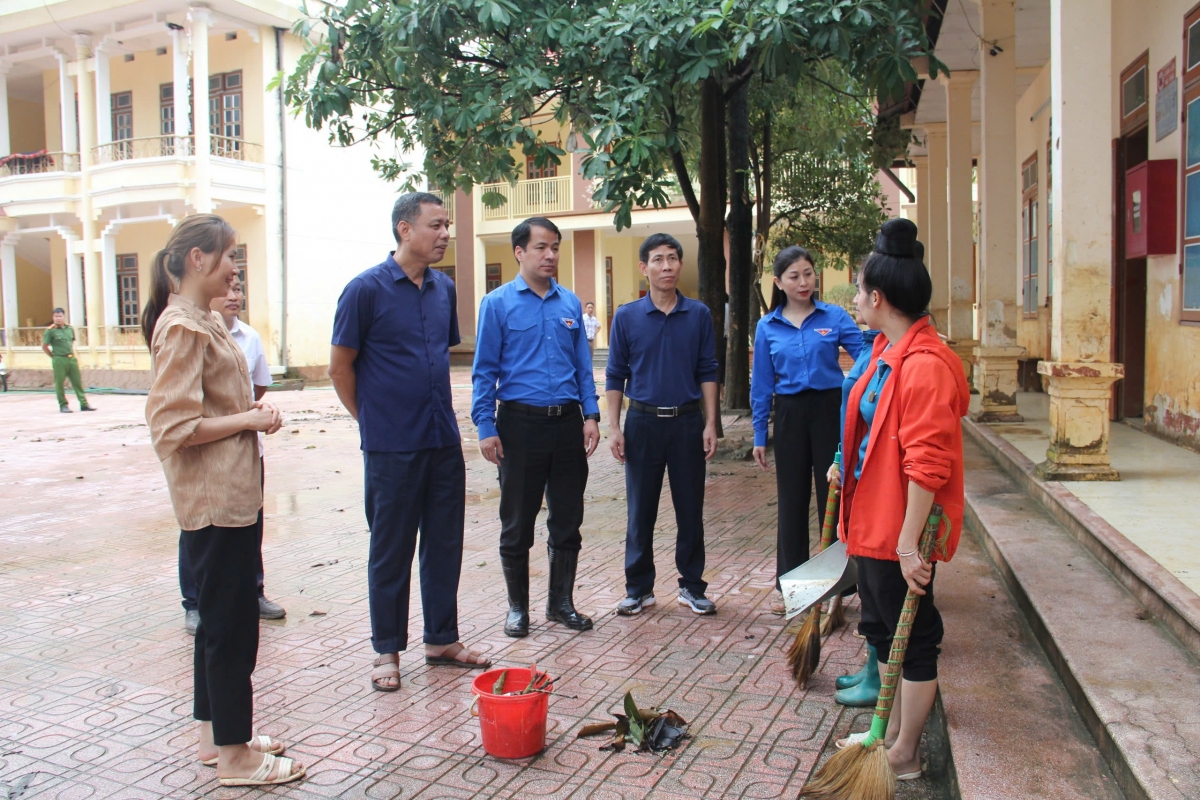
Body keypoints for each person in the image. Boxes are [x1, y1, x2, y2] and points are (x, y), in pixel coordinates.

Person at [143, 214, 303, 787]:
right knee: (232, 628)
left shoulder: (204, 319)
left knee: (219, 624)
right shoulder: (182, 328)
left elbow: (206, 409)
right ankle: (236, 759)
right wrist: (248, 420)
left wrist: (248, 416)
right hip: (213, 501)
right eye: (229, 254)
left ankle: (217, 738)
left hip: (232, 494)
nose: (234, 267)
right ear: (198, 259)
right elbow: (172, 427)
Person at [330, 192, 490, 692]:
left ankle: (441, 639)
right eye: (435, 225)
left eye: (447, 225)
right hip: (391, 446)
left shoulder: (444, 289)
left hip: (442, 438)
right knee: (391, 549)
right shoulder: (364, 290)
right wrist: (371, 421)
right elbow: (339, 368)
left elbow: (439, 356)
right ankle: (387, 649)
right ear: (405, 229)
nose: (445, 234)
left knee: (444, 543)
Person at [830, 218, 968, 780]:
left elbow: (928, 465)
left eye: (859, 290)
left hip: (897, 529)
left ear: (879, 298)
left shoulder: (926, 366)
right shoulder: (887, 350)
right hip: (873, 519)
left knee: (914, 638)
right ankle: (885, 733)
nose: (855, 299)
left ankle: (905, 753)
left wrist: (910, 545)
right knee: (884, 629)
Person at [472, 216, 601, 638]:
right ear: (519, 252)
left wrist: (591, 415)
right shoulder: (497, 304)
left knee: (567, 519)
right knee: (517, 522)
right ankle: (517, 608)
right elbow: (484, 371)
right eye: (541, 247)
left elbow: (582, 365)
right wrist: (485, 425)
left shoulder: (570, 304)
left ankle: (560, 604)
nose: (550, 255)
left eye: (555, 247)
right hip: (519, 427)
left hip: (566, 426)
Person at [606, 233, 720, 617]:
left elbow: (708, 370)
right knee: (640, 511)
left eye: (672, 258)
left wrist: (711, 423)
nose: (666, 266)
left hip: (687, 422)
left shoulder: (698, 315)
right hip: (642, 423)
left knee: (690, 509)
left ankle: (692, 586)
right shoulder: (627, 317)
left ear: (680, 265)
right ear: (644, 267)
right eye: (658, 259)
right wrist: (614, 427)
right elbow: (615, 374)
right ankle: (638, 589)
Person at [750, 247, 864, 615]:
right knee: (792, 502)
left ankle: (838, 585)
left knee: (834, 496)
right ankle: (793, 588)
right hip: (789, 416)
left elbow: (866, 357)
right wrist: (759, 435)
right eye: (794, 276)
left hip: (831, 412)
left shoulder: (834, 316)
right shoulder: (768, 327)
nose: (803, 282)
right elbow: (761, 385)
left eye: (809, 274)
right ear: (778, 282)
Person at [176, 279, 286, 636]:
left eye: (239, 288)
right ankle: (195, 602)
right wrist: (240, 419)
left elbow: (257, 386)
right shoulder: (185, 331)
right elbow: (177, 423)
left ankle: (252, 591)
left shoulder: (248, 337)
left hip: (247, 452)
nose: (234, 295)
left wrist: (255, 412)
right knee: (200, 531)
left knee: (250, 524)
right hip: (208, 457)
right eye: (227, 287)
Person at [42, 308, 95, 413]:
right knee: (60, 383)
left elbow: (71, 342)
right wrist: (54, 356)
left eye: (60, 316)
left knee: (77, 382)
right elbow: (45, 346)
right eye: (56, 316)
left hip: (71, 358)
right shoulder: (50, 331)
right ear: (53, 317)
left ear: (64, 317)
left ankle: (84, 404)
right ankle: (63, 405)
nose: (58, 318)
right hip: (59, 359)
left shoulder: (69, 329)